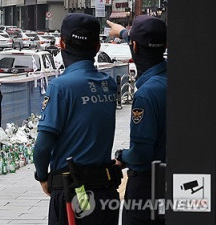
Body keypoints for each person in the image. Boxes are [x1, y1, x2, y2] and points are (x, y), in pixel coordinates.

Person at [33, 13, 122, 225]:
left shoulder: (61, 87)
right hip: (106, 191)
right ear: (98, 46)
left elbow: (43, 146)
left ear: (61, 42)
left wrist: (42, 175)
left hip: (72, 193)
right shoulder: (108, 85)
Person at [107, 16, 167, 225]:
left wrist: (122, 156)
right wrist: (123, 32)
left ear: (134, 46)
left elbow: (141, 153)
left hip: (147, 188)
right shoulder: (177, 81)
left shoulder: (147, 94)